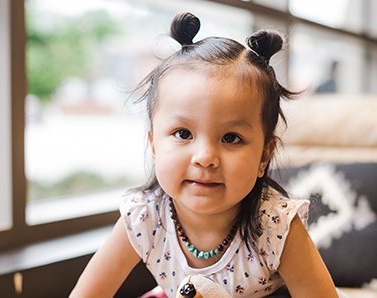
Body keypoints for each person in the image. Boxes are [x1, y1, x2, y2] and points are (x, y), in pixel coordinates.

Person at [69, 13, 344, 298]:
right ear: (153, 146)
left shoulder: (276, 227)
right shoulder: (144, 217)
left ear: (264, 157)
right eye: (183, 134)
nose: (205, 157)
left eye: (230, 138)